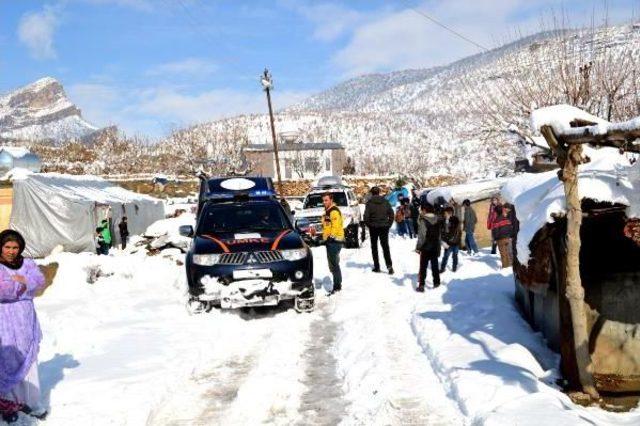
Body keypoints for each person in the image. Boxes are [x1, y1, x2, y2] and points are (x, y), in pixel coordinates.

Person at [0, 230, 46, 421]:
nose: (11, 251)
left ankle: (32, 403)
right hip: (4, 321)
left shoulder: (27, 264)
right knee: (7, 360)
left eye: (15, 247)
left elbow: (40, 281)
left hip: (26, 320)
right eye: (7, 247)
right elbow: (3, 291)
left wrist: (24, 281)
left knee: (29, 360)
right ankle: (9, 404)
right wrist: (24, 285)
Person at [363, 186, 394, 274]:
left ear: (372, 193)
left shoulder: (369, 203)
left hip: (374, 227)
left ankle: (377, 267)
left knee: (374, 247)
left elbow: (365, 217)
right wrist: (389, 224)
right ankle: (389, 266)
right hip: (384, 227)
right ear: (379, 192)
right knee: (385, 247)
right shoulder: (385, 201)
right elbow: (391, 214)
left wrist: (370, 225)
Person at [415, 203, 442, 292]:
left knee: (423, 266)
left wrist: (418, 247)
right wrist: (438, 246)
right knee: (434, 265)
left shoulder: (423, 220)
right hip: (435, 245)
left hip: (426, 246)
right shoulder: (437, 219)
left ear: (424, 210)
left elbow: (422, 236)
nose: (421, 211)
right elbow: (439, 235)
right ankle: (436, 282)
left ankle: (421, 285)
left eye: (421, 210)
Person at [322, 193, 344, 294]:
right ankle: (337, 284)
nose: (324, 202)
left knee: (334, 264)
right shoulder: (327, 211)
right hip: (330, 241)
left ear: (331, 200)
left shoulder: (334, 211)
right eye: (323, 200)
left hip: (335, 241)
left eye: (326, 200)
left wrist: (330, 238)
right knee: (332, 264)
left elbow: (335, 226)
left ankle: (337, 286)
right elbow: (327, 226)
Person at [492, 203, 516, 268]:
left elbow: (495, 231)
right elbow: (510, 228)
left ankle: (505, 266)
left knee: (503, 253)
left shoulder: (496, 221)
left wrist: (495, 239)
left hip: (500, 239)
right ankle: (510, 265)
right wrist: (510, 235)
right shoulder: (506, 219)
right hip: (507, 238)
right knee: (508, 252)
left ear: (496, 212)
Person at [440, 207, 461, 273]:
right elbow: (442, 232)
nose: (444, 215)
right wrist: (443, 241)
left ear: (450, 213)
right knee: (445, 257)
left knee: (455, 256)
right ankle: (442, 268)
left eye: (445, 213)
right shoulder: (444, 220)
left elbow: (452, 231)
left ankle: (454, 268)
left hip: (454, 242)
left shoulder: (455, 220)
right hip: (448, 243)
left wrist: (447, 222)